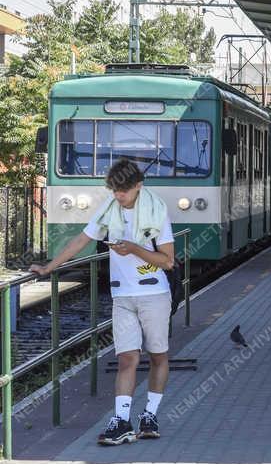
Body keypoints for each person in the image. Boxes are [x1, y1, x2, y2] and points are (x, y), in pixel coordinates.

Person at [31, 158, 176, 445]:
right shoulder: (109, 210)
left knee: (158, 356)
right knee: (126, 359)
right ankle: (121, 420)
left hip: (154, 295)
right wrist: (49, 268)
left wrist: (134, 248)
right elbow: (79, 241)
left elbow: (168, 261)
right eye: (114, 190)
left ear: (138, 186)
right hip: (122, 296)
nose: (118, 196)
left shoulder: (157, 211)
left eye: (123, 190)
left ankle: (150, 414)